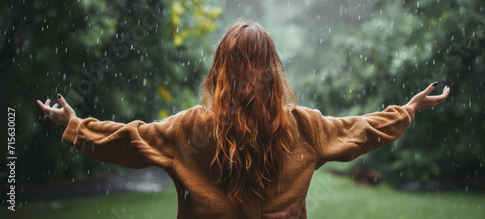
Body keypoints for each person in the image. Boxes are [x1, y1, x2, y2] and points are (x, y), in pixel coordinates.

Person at [37, 22, 450, 218]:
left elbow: (132, 140)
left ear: (220, 69)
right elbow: (362, 130)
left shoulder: (190, 129)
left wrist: (76, 126)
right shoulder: (304, 127)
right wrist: (406, 111)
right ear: (273, 68)